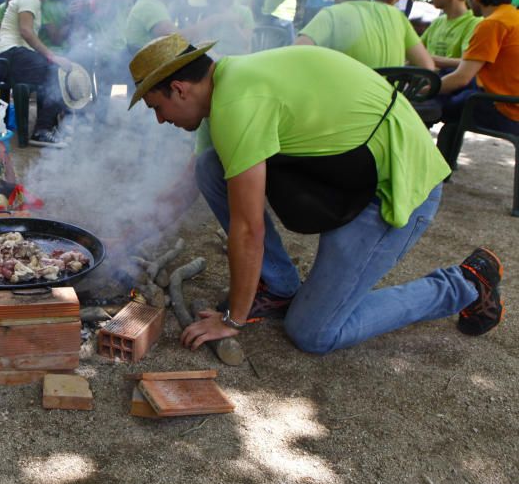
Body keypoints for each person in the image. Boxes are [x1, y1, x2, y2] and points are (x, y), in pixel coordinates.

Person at [129, 34, 503, 356]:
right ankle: (279, 287)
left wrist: (233, 320)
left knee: (313, 333)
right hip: (347, 174)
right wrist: (124, 239)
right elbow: (186, 186)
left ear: (179, 89)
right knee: (209, 168)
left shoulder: (236, 103)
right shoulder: (227, 85)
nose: (161, 120)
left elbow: (248, 230)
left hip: (395, 185)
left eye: (157, 108)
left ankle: (465, 283)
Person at [435, 0, 519, 160]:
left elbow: (461, 78)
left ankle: (426, 166)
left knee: (430, 104)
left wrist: (423, 91)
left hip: (504, 111)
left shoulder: (491, 25)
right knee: (445, 81)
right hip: (510, 100)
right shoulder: (512, 17)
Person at [296, 0, 435, 70]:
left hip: (346, 102)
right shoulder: (397, 16)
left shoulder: (331, 14)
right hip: (392, 102)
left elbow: (294, 56)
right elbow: (428, 67)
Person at [0, 0, 73, 147]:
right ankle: (43, 130)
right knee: (56, 70)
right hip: (8, 56)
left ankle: (46, 128)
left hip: (15, 56)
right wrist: (52, 56)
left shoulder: (36, 2)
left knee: (55, 72)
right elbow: (26, 31)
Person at [420, 0, 482, 71]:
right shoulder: (437, 22)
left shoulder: (474, 24)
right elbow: (415, 50)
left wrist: (430, 59)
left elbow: (467, 62)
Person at [189, 0, 254, 56]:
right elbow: (203, 44)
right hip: (216, 60)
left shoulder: (244, 12)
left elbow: (245, 44)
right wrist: (217, 58)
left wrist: (230, 18)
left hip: (239, 58)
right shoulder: (206, 15)